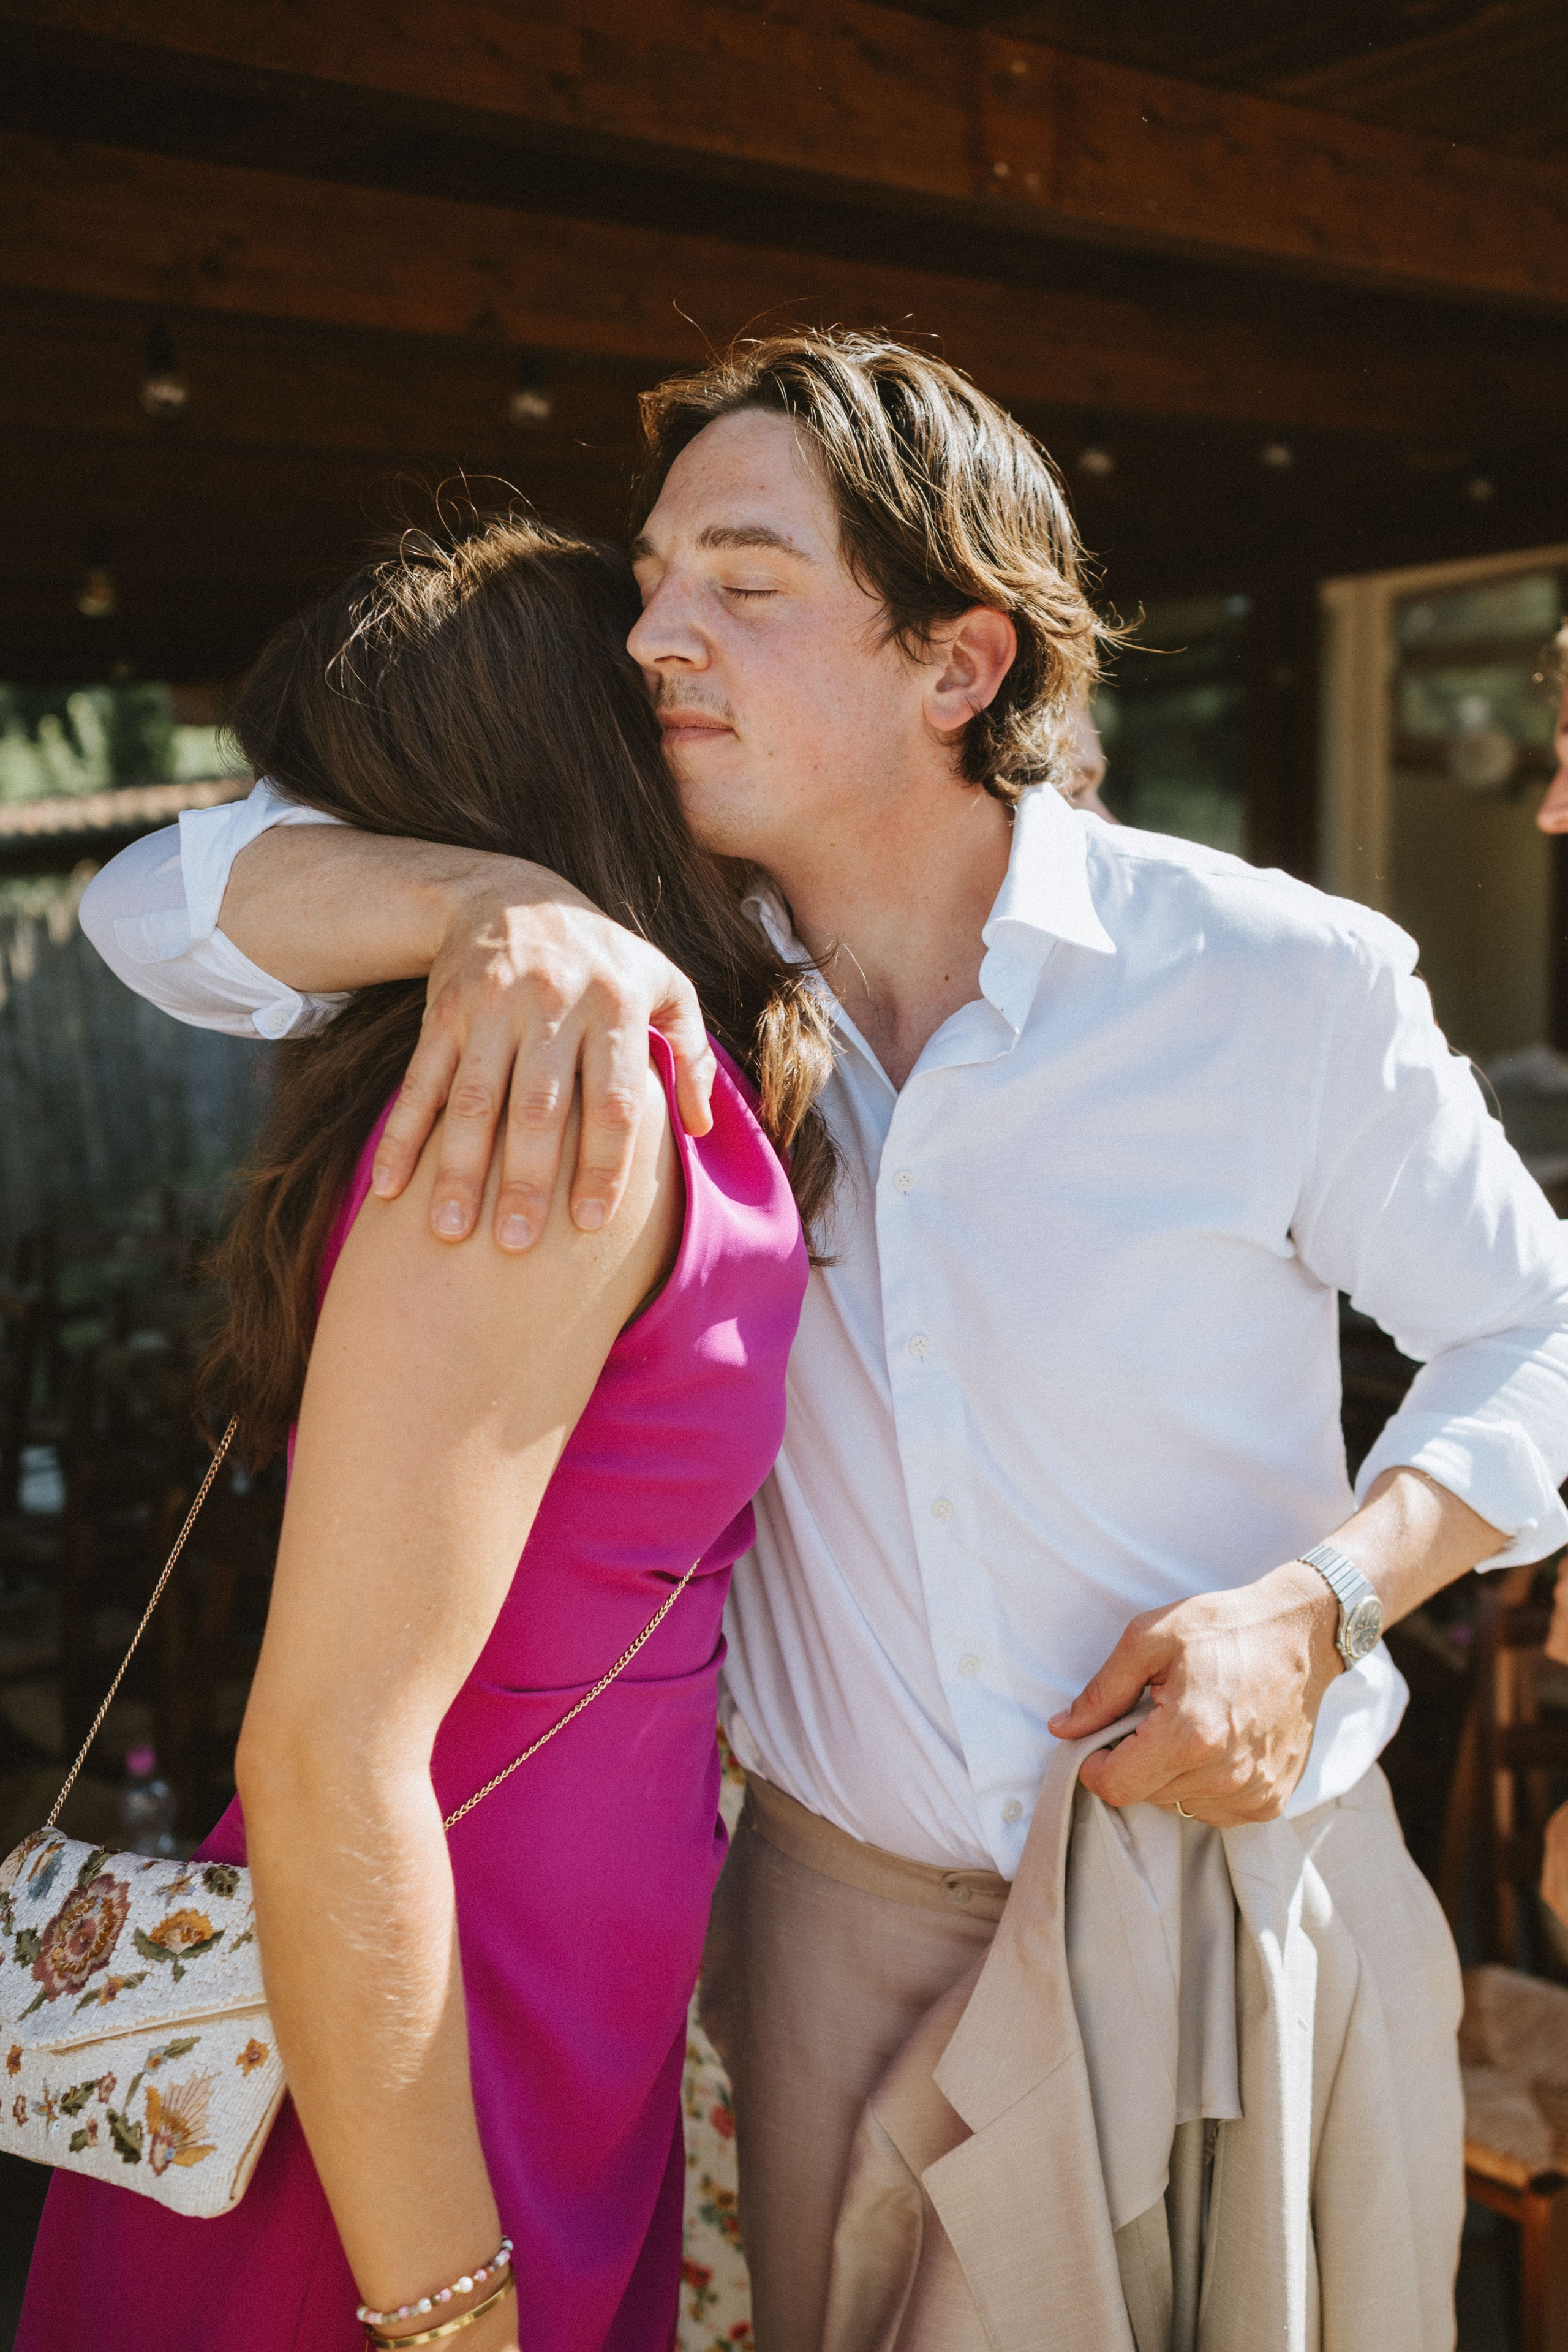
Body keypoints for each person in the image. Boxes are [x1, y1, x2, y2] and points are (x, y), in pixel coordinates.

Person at [77, 334, 1568, 2346]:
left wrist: (1321, 1604)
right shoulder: (651, 1005)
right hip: (831, 1930)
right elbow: (152, 909)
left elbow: (1538, 1333)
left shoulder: (1273, 977)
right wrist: (493, 896)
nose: (656, 636)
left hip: (1221, 1903)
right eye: (654, 579)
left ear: (959, 665)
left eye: (744, 585)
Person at [17, 511, 829, 2352]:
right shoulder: (546, 1105)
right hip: (421, 2029)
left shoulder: (620, 1046)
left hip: (524, 1975)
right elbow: (324, 1763)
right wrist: (444, 2305)